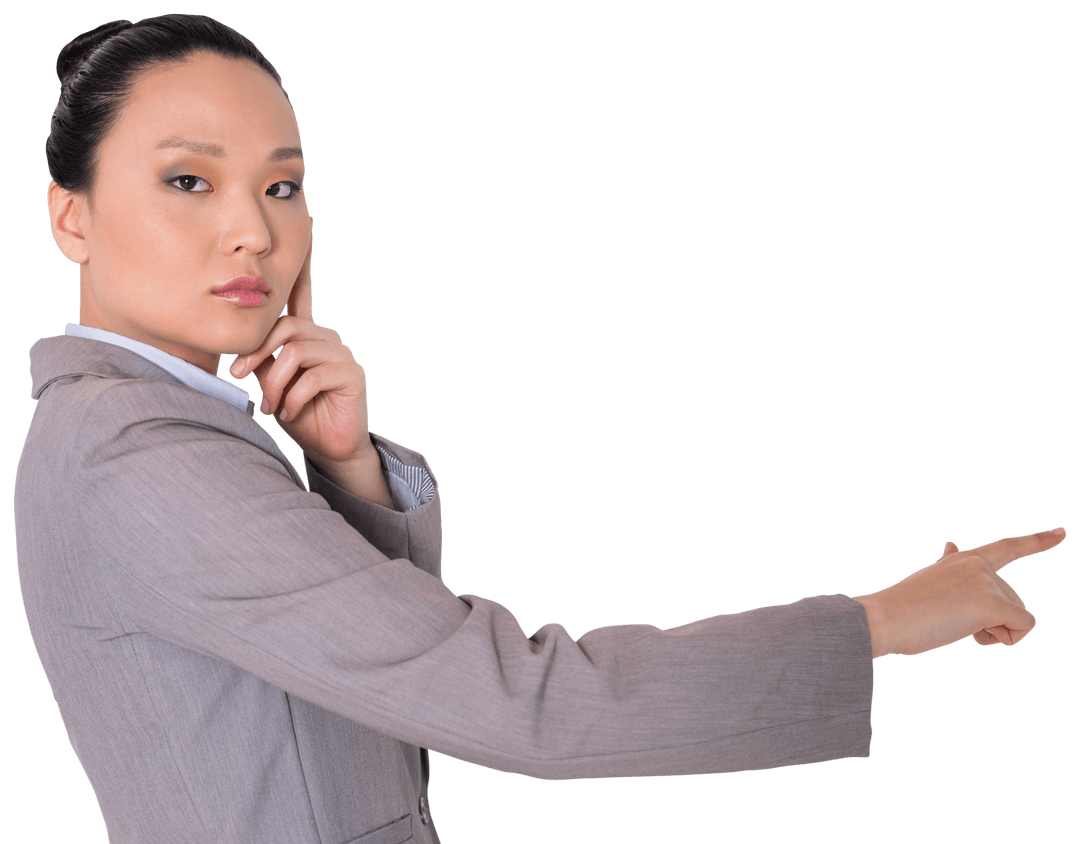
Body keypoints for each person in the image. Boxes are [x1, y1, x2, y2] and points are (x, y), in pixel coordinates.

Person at [13, 13, 1066, 844]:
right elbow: (517, 702)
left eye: (282, 184)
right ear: (72, 215)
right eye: (187, 180)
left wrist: (342, 467)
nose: (254, 228)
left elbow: (374, 682)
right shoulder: (139, 456)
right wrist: (876, 622)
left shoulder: (161, 425)